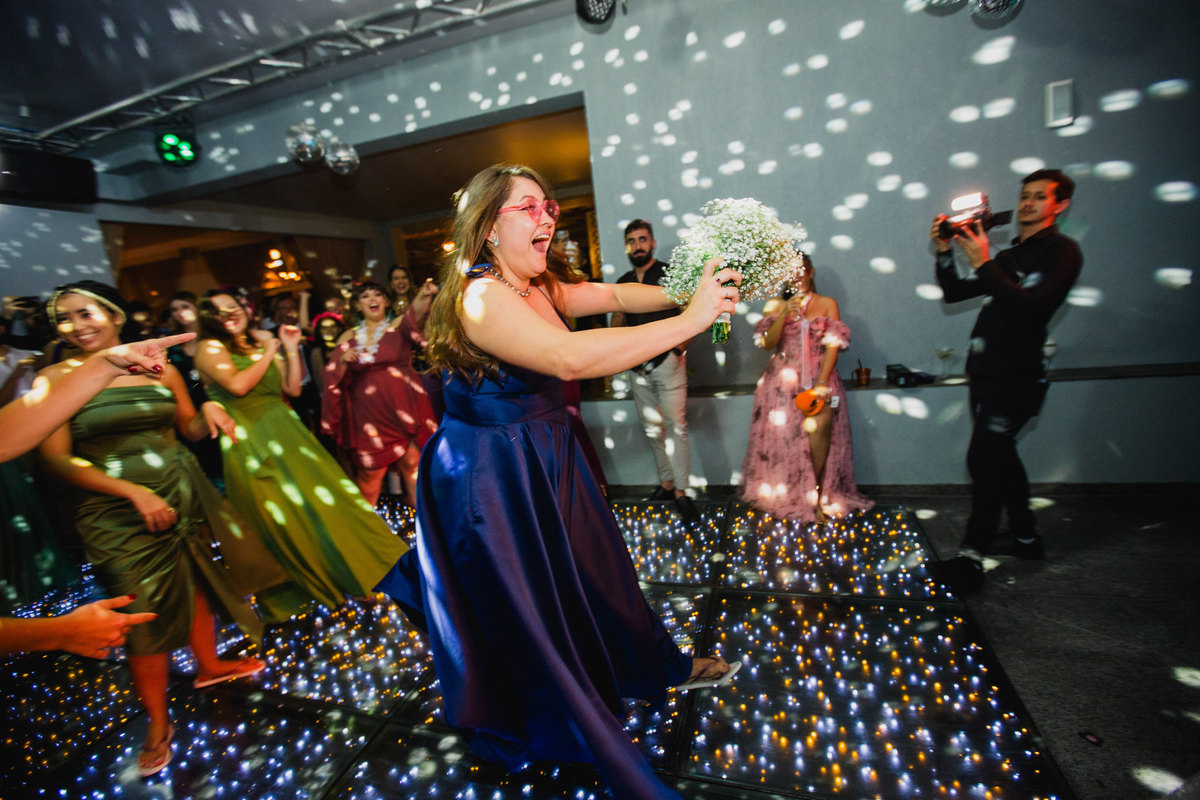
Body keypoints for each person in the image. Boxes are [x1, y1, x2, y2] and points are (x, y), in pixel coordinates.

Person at [375, 164, 740, 800]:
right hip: (491, 479)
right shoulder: (481, 298)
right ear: (488, 227)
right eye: (530, 209)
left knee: (600, 575)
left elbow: (623, 298)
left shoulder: (538, 283)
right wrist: (693, 320)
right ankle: (562, 718)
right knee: (531, 609)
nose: (548, 217)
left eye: (549, 206)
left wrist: (695, 286)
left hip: (546, 456)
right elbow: (570, 358)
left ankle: (649, 666)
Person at [37, 282, 272, 778]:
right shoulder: (55, 377)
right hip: (113, 511)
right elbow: (56, 459)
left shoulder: (155, 365)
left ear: (116, 315)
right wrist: (132, 493)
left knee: (192, 579)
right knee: (139, 608)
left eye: (87, 313)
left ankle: (208, 667)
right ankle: (158, 721)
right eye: (65, 318)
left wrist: (207, 408)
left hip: (177, 492)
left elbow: (185, 428)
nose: (77, 326)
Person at [195, 289, 407, 615]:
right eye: (219, 312)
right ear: (209, 320)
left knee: (326, 507)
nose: (229, 315)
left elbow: (292, 388)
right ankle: (314, 587)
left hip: (288, 432)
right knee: (286, 520)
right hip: (249, 440)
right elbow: (237, 386)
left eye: (233, 307)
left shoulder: (256, 341)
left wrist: (291, 350)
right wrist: (269, 350)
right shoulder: (210, 347)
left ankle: (355, 575)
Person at [928, 168, 1083, 591]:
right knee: (1001, 455)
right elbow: (956, 292)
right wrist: (945, 250)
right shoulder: (1014, 254)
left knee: (983, 459)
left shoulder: (1063, 252)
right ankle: (1025, 536)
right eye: (1025, 195)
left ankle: (971, 558)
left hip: (1017, 375)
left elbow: (1032, 309)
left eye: (1039, 196)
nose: (1029, 203)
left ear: (1059, 204)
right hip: (987, 371)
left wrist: (984, 261)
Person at [740, 253, 873, 524]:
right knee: (787, 440)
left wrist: (822, 384)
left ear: (810, 272)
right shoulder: (775, 304)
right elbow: (767, 343)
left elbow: (833, 344)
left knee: (819, 430)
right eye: (789, 271)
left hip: (819, 379)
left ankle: (817, 492)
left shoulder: (827, 303)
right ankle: (793, 494)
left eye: (800, 270)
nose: (795, 275)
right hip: (781, 384)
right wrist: (784, 314)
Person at [611, 219, 698, 523]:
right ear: (626, 246)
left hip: (667, 363)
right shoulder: (622, 281)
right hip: (637, 367)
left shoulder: (668, 273)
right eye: (632, 241)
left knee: (677, 428)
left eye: (642, 239)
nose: (638, 245)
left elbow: (691, 308)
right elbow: (617, 321)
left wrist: (680, 347)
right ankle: (666, 483)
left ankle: (683, 493)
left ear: (653, 242)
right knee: (652, 431)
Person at [322, 280, 438, 507]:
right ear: (357, 305)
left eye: (377, 294)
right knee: (369, 477)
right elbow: (331, 379)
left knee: (412, 465)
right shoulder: (347, 338)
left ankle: (425, 532)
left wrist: (424, 295)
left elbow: (415, 313)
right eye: (365, 296)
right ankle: (367, 535)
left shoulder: (396, 326)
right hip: (370, 419)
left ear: (386, 301)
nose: (373, 299)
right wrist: (343, 361)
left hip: (405, 409)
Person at [164, 291, 224, 484]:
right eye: (174, 309)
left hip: (220, 403)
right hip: (190, 409)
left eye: (185, 306)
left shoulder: (216, 341)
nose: (180, 312)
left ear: (197, 307)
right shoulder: (172, 349)